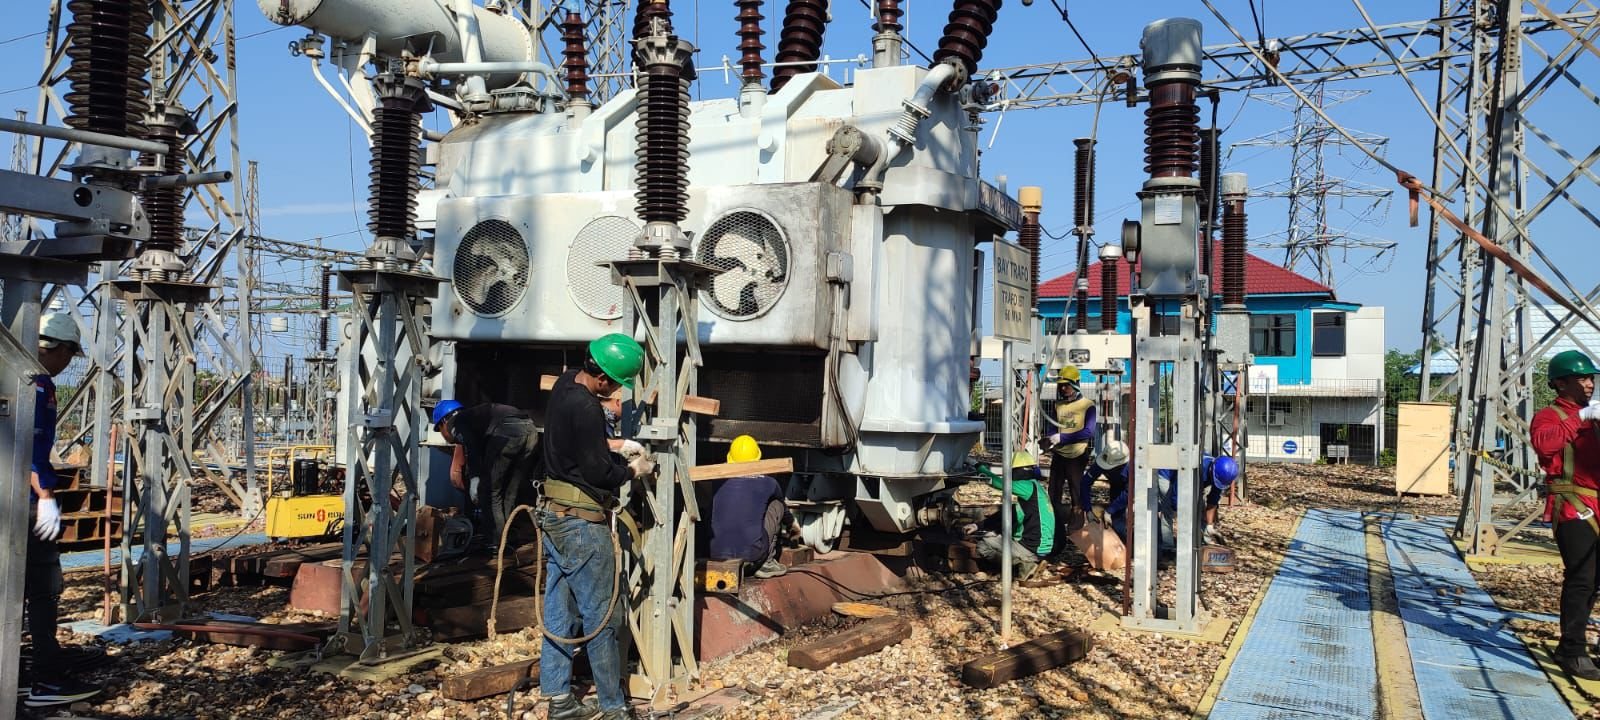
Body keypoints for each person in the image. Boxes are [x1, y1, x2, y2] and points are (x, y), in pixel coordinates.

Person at [539, 333, 654, 720]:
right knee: (603, 615)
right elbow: (598, 473)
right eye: (616, 385)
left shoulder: (565, 382)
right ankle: (613, 706)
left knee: (558, 609)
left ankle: (558, 699)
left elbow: (578, 446)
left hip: (554, 515)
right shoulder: (587, 408)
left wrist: (618, 445)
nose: (615, 392)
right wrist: (631, 470)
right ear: (603, 379)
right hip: (583, 524)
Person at [23, 313, 101, 707]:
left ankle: (23, 669)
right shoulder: (35, 386)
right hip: (24, 497)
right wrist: (46, 498)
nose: (69, 363)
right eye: (70, 354)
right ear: (54, 347)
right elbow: (32, 451)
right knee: (43, 586)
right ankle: (45, 681)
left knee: (19, 587)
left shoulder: (21, 378)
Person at [1531, 349, 1600, 681]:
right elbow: (1545, 446)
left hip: (1598, 502)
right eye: (1582, 378)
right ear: (1560, 383)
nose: (1589, 384)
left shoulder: (1595, 416)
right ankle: (1571, 650)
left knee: (1595, 579)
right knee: (1582, 577)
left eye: (1591, 378)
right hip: (1573, 505)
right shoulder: (1550, 416)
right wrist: (1580, 419)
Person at [432, 399, 539, 550]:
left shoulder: (456, 423)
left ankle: (495, 543)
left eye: (439, 430)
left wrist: (475, 481)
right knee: (509, 490)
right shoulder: (475, 419)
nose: (443, 435)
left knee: (489, 492)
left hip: (507, 434)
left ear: (443, 421)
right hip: (530, 430)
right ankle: (506, 537)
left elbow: (473, 448)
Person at [708, 435, 793, 579]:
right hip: (753, 557)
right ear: (758, 458)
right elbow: (783, 509)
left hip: (716, 555)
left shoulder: (718, 481)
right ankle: (767, 563)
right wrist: (792, 524)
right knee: (776, 505)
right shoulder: (769, 483)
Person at [972, 452, 1056, 582]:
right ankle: (1027, 562)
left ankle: (1021, 566)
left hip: (1031, 547)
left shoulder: (1026, 487)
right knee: (996, 536)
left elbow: (999, 483)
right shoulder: (1037, 487)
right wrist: (977, 525)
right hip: (1044, 547)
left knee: (983, 545)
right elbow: (1006, 515)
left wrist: (979, 468)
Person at [1041, 365, 1096, 538]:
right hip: (1059, 454)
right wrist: (1048, 440)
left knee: (1076, 492)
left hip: (1077, 455)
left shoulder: (1088, 405)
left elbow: (1089, 431)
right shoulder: (1058, 406)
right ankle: (1053, 528)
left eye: (1067, 385)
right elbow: (1052, 427)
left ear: (1076, 384)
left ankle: (1076, 532)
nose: (1063, 389)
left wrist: (1063, 438)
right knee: (1053, 491)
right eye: (1061, 385)